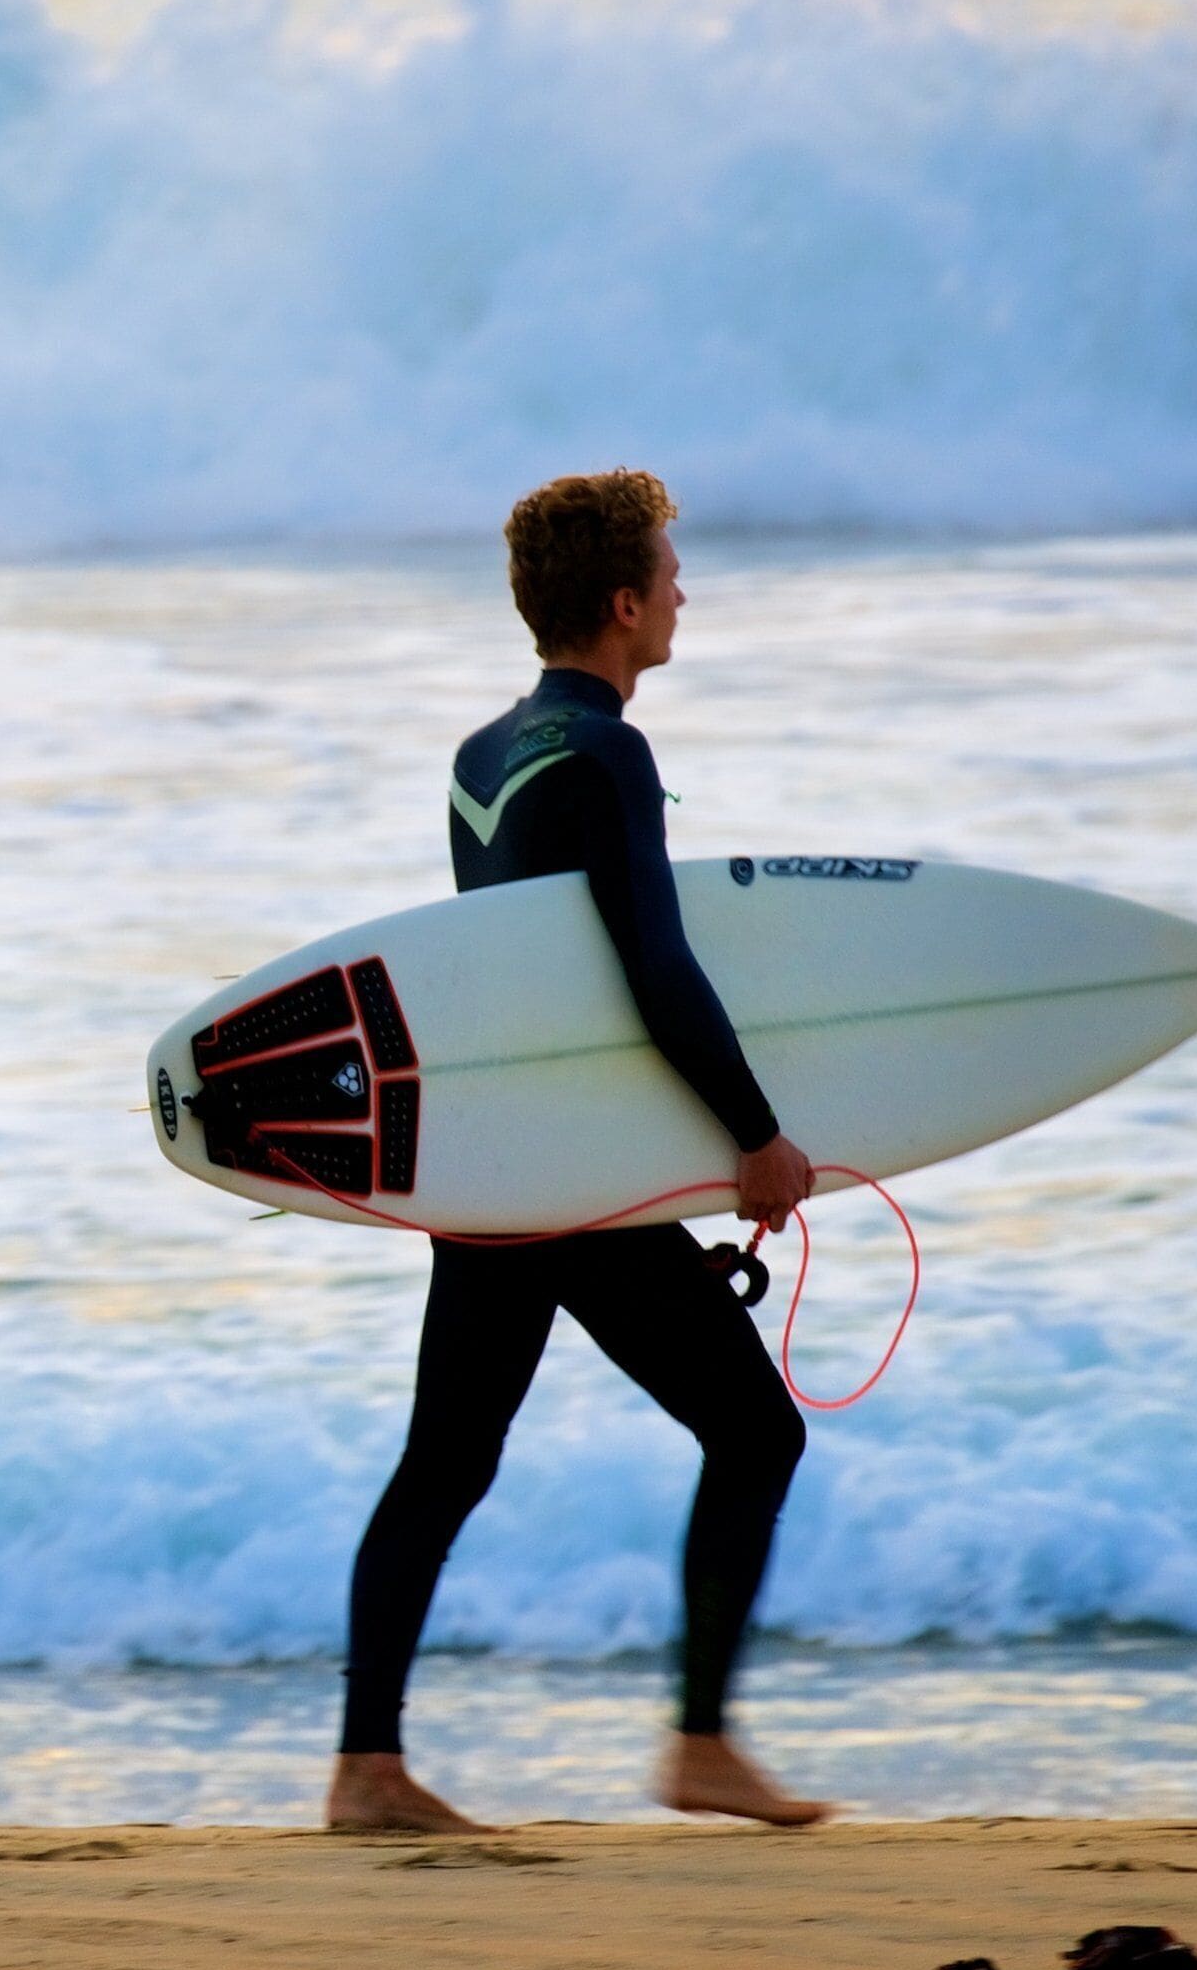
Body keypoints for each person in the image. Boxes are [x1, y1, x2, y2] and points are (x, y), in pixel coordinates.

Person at [324, 469, 830, 1834]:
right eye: (669, 573)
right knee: (756, 1430)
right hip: (568, 1188)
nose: (683, 594)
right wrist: (755, 1137)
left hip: (500, 1168)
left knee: (445, 1463)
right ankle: (699, 1746)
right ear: (620, 604)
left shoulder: (477, 760)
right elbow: (651, 971)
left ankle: (365, 1769)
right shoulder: (609, 756)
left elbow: (527, 997)